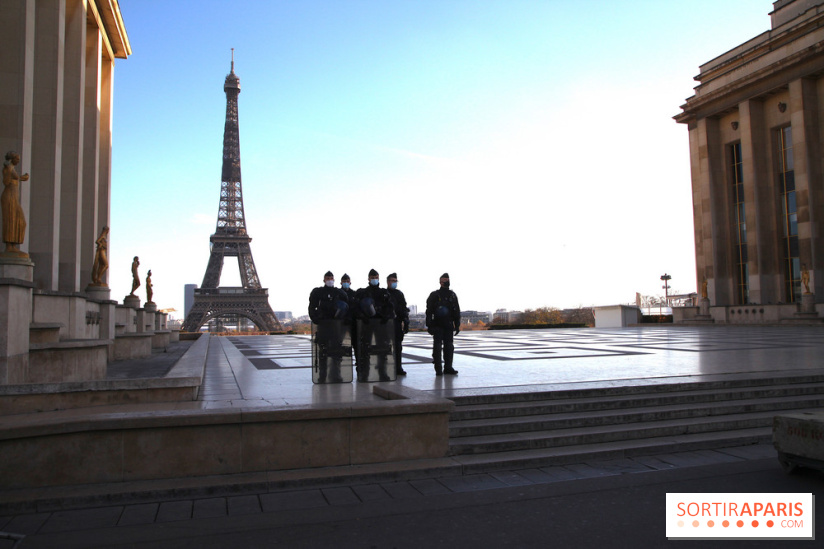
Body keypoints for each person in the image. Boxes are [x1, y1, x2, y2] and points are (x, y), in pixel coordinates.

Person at [308, 271, 350, 383]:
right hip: (324, 325)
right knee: (323, 351)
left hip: (336, 326)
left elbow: (347, 307)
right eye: (328, 278)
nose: (330, 280)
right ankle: (323, 375)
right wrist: (316, 319)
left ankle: (335, 374)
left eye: (331, 278)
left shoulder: (339, 293)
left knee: (336, 351)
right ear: (324, 280)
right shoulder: (318, 292)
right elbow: (312, 307)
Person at [354, 269, 395, 381]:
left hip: (381, 324)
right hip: (367, 324)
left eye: (376, 277)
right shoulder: (363, 292)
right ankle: (364, 373)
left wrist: (386, 316)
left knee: (382, 349)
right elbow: (356, 307)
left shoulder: (383, 292)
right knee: (365, 348)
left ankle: (383, 372)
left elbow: (390, 307)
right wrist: (362, 316)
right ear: (368, 279)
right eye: (372, 277)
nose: (374, 279)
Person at [426, 273, 460, 376]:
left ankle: (448, 367)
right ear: (440, 282)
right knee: (437, 347)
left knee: (449, 346)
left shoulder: (452, 295)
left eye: (448, 279)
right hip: (437, 325)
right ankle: (438, 369)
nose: (447, 281)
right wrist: (429, 325)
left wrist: (457, 324)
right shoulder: (434, 295)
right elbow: (429, 311)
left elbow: (456, 310)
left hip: (448, 325)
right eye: (444, 280)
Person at [2, 151, 29, 254]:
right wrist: (8, 170)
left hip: (14, 198)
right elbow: (6, 181)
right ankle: (9, 246)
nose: (18, 161)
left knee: (20, 221)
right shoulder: (8, 168)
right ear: (11, 159)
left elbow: (15, 178)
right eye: (16, 159)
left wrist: (22, 178)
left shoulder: (12, 169)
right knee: (10, 220)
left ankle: (13, 244)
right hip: (9, 197)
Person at [386, 272, 409, 375]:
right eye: (392, 281)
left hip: (397, 323)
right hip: (386, 324)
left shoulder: (399, 294)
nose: (394, 283)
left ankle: (398, 367)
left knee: (398, 347)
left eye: (395, 281)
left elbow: (404, 308)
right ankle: (387, 368)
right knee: (386, 347)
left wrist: (406, 320)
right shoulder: (384, 293)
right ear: (387, 282)